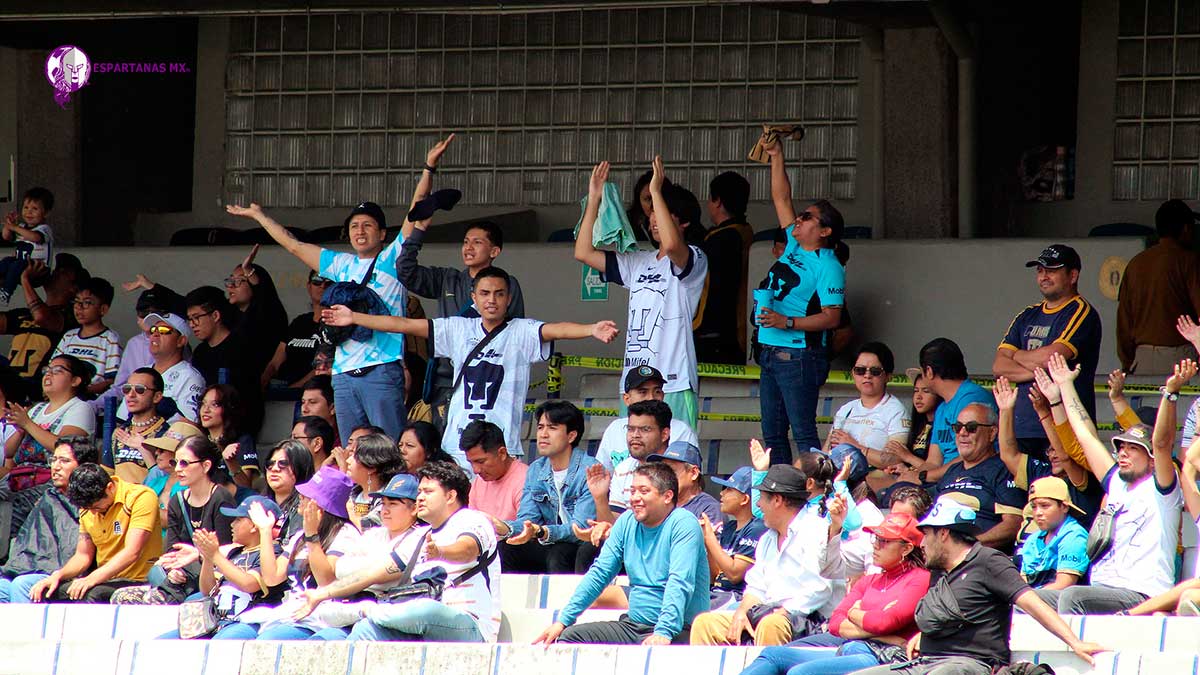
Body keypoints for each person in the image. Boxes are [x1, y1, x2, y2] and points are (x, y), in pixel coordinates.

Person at [322, 266, 618, 470]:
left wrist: (592, 328)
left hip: (503, 443)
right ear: (473, 298)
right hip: (458, 445)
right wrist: (356, 317)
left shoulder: (521, 331)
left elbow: (557, 329)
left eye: (499, 294)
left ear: (509, 298)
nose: (492, 300)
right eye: (485, 293)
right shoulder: (458, 329)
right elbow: (404, 324)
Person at [849, 496, 1105, 675]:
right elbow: (941, 611)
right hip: (926, 662)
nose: (921, 543)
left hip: (972, 664)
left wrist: (1074, 641)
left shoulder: (988, 562)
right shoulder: (938, 571)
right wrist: (922, 634)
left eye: (926, 534)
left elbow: (1032, 603)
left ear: (943, 533)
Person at [227, 200, 409, 443]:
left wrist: (428, 168)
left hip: (381, 368)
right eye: (354, 226)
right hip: (343, 374)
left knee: (390, 446)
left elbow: (415, 218)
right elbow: (294, 245)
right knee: (351, 449)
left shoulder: (393, 259)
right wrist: (260, 216)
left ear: (383, 233)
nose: (360, 231)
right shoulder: (341, 264)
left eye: (368, 225)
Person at [293, 461, 500, 643]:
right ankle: (367, 612)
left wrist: (441, 552)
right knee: (367, 630)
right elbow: (372, 575)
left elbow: (467, 549)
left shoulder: (472, 519)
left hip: (469, 624)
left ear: (450, 495)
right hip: (418, 625)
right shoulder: (419, 536)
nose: (420, 498)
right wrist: (322, 594)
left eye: (428, 492)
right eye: (419, 492)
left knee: (424, 609)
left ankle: (368, 610)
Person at [1045, 353, 1187, 614]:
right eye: (1121, 447)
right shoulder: (1116, 483)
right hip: (1101, 589)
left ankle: (1080, 654)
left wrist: (1171, 394)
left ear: (1152, 460)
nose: (1123, 452)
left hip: (1141, 595)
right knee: (1032, 599)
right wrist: (1065, 385)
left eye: (1133, 449)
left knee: (1072, 598)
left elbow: (1163, 443)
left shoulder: (1162, 488)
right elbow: (1085, 435)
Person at [575, 159, 708, 428]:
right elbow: (583, 253)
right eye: (651, 213)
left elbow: (672, 245)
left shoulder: (694, 256)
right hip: (634, 382)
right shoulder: (638, 261)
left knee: (674, 460)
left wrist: (657, 192)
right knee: (634, 460)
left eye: (663, 213)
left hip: (673, 381)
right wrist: (594, 199)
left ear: (683, 223)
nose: (653, 218)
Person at [396, 136, 527, 401]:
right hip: (445, 380)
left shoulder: (506, 284)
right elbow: (406, 271)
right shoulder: (447, 279)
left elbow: (514, 331)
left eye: (477, 242)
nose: (468, 247)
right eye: (466, 242)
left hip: (488, 376)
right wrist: (420, 230)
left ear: (494, 251)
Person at [533, 463, 708, 646]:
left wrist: (664, 632)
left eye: (644, 491)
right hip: (633, 625)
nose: (635, 498)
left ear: (667, 496)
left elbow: (680, 581)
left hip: (679, 629)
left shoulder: (684, 523)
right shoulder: (626, 521)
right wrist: (563, 621)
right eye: (632, 491)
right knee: (569, 637)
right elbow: (599, 574)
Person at [738, 512, 931, 675]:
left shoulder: (919, 579)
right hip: (854, 644)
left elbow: (885, 622)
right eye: (876, 538)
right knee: (772, 655)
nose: (875, 544)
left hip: (883, 655)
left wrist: (854, 614)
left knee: (801, 672)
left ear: (906, 548)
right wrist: (880, 632)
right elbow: (836, 622)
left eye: (885, 541)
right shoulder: (869, 580)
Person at [758, 139, 845, 465]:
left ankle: (815, 497)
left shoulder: (829, 265)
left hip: (800, 355)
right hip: (769, 352)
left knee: (804, 433)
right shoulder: (794, 244)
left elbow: (833, 317)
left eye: (807, 217)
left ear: (824, 231)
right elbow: (781, 197)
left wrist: (787, 322)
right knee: (773, 435)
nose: (799, 219)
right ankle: (779, 495)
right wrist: (777, 156)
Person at [199, 464, 360, 640]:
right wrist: (266, 530)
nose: (301, 498)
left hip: (324, 617)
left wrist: (312, 536)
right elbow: (272, 577)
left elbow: (325, 580)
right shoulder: (300, 536)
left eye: (308, 496)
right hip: (295, 613)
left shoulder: (345, 534)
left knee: (265, 642)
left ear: (321, 505)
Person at [690, 465, 836, 647]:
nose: (758, 505)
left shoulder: (815, 530)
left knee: (770, 625)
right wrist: (741, 613)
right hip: (767, 612)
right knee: (706, 624)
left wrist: (782, 612)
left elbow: (820, 589)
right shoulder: (768, 537)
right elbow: (756, 585)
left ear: (777, 500)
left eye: (762, 499)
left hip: (810, 620)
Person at [993, 244, 1102, 452]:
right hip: (1022, 427)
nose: (1044, 276)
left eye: (1052, 271)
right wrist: (1042, 368)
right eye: (1040, 271)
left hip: (1064, 425)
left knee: (1060, 485)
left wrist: (1015, 354)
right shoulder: (1027, 314)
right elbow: (999, 366)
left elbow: (1052, 356)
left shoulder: (1081, 311)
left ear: (1072, 276)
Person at [303, 473, 430, 641]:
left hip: (388, 617)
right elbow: (340, 569)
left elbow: (377, 575)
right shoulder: (374, 535)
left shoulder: (419, 536)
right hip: (351, 609)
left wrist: (369, 570)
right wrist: (375, 565)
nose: (385, 510)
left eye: (393, 504)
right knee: (320, 641)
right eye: (383, 503)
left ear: (414, 509)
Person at [28, 463, 162, 603]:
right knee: (46, 592)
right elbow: (83, 555)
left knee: (91, 594)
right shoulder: (87, 508)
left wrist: (91, 579)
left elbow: (132, 552)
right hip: (105, 579)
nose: (92, 512)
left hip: (137, 580)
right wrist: (58, 575)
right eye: (88, 508)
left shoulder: (140, 497)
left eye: (96, 507)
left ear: (109, 488)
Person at [157, 497, 287, 640]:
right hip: (217, 620)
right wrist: (208, 557)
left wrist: (216, 555)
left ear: (254, 526)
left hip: (249, 621)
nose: (232, 524)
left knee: (219, 646)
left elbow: (249, 584)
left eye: (238, 519)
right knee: (162, 643)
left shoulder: (271, 552)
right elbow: (208, 591)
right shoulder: (235, 553)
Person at [494, 401, 598, 574]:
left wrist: (542, 532)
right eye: (541, 427)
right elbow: (528, 518)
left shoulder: (589, 469)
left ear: (571, 436)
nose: (543, 434)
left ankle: (563, 602)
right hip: (549, 541)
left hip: (581, 545)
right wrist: (506, 528)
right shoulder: (536, 469)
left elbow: (581, 528)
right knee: (506, 549)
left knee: (560, 553)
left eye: (552, 428)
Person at [0, 354, 95, 534]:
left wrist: (28, 423)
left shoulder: (79, 408)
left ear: (75, 380)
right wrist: (20, 427)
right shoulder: (37, 409)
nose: (48, 375)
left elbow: (65, 448)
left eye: (57, 371)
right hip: (21, 475)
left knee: (18, 503)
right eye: (46, 371)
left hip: (52, 479)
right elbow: (10, 453)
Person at [996, 372, 1104, 531]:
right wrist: (1006, 410)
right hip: (1026, 549)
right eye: (1049, 450)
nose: (1053, 455)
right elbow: (1008, 455)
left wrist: (1045, 411)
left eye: (1055, 449)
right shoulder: (1042, 472)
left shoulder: (1084, 479)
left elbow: (1065, 456)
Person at [0, 435, 94, 602]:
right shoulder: (49, 496)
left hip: (66, 572)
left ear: (82, 467)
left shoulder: (91, 501)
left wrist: (57, 573)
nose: (55, 467)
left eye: (64, 461)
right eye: (54, 459)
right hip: (34, 568)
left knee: (22, 585)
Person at [150, 436, 237, 603]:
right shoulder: (178, 500)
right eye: (175, 463)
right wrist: (174, 569)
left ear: (205, 466)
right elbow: (172, 550)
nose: (178, 469)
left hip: (213, 574)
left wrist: (197, 555)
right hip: (183, 573)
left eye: (184, 463)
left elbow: (227, 550)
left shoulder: (221, 498)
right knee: (155, 574)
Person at [1117, 198, 1200, 374]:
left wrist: (1127, 362)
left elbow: (1124, 321)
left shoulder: (1135, 264)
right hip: (1181, 359)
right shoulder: (1189, 261)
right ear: (1186, 229)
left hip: (1142, 359)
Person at [931, 404, 1025, 552]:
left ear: (992, 433)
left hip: (977, 559)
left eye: (971, 427)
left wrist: (968, 547)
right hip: (938, 552)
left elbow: (1014, 524)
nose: (962, 433)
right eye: (958, 427)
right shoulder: (951, 471)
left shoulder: (1004, 469)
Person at [906, 338, 996, 484]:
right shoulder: (941, 408)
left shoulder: (972, 399)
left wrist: (924, 477)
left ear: (928, 371)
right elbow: (933, 461)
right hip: (943, 481)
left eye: (922, 372)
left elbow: (971, 457)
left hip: (971, 480)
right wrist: (912, 476)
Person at [1, 253, 86, 403]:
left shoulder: (71, 317)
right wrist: (4, 281)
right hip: (8, 388)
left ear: (74, 288)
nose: (54, 273)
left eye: (62, 272)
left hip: (35, 395)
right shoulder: (24, 314)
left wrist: (25, 280)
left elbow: (41, 317)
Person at [823, 342, 910, 485]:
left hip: (871, 481)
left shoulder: (896, 411)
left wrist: (855, 446)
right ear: (853, 373)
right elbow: (826, 451)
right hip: (836, 476)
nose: (867, 376)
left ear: (888, 376)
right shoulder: (846, 409)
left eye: (875, 371)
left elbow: (894, 459)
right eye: (860, 370)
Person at [91, 285, 184, 415]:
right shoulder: (134, 343)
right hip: (130, 418)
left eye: (156, 312)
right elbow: (120, 388)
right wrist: (93, 406)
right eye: (143, 312)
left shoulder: (175, 344)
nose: (148, 317)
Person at [186, 286, 265, 435]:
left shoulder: (242, 347)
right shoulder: (200, 353)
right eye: (189, 319)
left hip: (240, 428)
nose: (192, 324)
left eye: (196, 317)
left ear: (215, 316)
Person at [695, 170, 754, 365]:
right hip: (740, 329)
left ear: (717, 201)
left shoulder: (720, 240)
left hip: (714, 333)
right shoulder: (746, 233)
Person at [595, 365, 698, 473]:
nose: (651, 398)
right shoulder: (615, 428)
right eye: (643, 392)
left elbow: (691, 479)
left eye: (657, 391)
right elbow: (603, 473)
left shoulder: (681, 430)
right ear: (626, 399)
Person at [592, 399, 673, 522]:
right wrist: (600, 498)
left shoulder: (677, 470)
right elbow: (612, 528)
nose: (635, 435)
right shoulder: (623, 469)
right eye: (630, 429)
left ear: (664, 434)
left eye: (645, 429)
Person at [221, 246, 289, 392]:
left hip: (260, 387)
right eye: (230, 280)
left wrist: (249, 271)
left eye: (239, 281)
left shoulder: (270, 312)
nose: (231, 286)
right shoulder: (227, 313)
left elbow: (263, 296)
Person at [867, 371, 941, 501]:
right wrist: (903, 468)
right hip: (907, 480)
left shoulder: (941, 426)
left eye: (926, 391)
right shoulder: (919, 426)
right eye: (916, 391)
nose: (918, 397)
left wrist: (907, 456)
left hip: (926, 487)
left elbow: (936, 468)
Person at [121, 312, 204, 422]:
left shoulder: (190, 377)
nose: (155, 334)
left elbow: (188, 427)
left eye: (163, 331)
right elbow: (121, 418)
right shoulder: (140, 373)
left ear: (181, 341)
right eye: (152, 330)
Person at [702, 466, 767, 608]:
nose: (721, 493)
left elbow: (734, 574)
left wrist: (710, 539)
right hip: (717, 593)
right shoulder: (729, 527)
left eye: (729, 490)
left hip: (738, 598)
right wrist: (707, 542)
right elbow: (715, 577)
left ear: (745, 499)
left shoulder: (757, 528)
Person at [52, 277, 121, 398]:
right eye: (76, 302)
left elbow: (111, 380)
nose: (79, 307)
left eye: (87, 303)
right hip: (63, 398)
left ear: (103, 309)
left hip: (91, 401)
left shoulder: (110, 339)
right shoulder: (69, 336)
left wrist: (81, 391)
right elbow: (53, 368)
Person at [1019, 477, 1090, 594]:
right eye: (1034, 507)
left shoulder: (1074, 535)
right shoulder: (1032, 540)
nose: (1038, 513)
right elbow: (1022, 583)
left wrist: (1027, 600)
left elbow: (1064, 584)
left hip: (1062, 604)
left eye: (1044, 506)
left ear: (1064, 507)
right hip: (1033, 600)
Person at [271, 270, 331, 389]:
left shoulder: (336, 324)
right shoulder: (299, 322)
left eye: (329, 283)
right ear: (309, 286)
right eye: (317, 281)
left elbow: (324, 365)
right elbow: (276, 361)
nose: (323, 286)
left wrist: (294, 388)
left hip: (313, 390)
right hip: (280, 386)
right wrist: (263, 382)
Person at [109, 368, 170, 483]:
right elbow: (108, 472)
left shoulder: (166, 435)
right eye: (127, 389)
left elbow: (166, 481)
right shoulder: (119, 432)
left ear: (157, 397)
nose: (131, 395)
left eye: (140, 389)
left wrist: (144, 449)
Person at [141, 421, 203, 532]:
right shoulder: (155, 482)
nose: (157, 453)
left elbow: (175, 520)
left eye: (162, 450)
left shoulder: (194, 485)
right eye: (157, 449)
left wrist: (142, 507)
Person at [464, 420, 527, 522]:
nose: (476, 470)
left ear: (502, 453)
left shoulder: (525, 481)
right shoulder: (479, 481)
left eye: (480, 461)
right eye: (471, 462)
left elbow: (526, 529)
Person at [0, 187, 55, 305]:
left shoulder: (44, 229)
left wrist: (15, 228)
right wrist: (9, 225)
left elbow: (35, 238)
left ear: (46, 212)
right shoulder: (21, 227)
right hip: (20, 267)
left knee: (16, 264)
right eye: (26, 208)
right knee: (6, 261)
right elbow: (6, 237)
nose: (29, 212)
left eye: (34, 209)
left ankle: (6, 293)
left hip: (38, 270)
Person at [648, 441, 722, 528]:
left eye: (672, 471)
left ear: (694, 473)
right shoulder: (660, 503)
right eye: (663, 471)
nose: (665, 477)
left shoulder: (709, 509)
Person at [200, 384, 259, 490]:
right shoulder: (200, 441)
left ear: (229, 408)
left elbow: (245, 486)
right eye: (203, 404)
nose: (206, 410)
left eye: (215, 404)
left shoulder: (242, 441)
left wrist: (231, 462)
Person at [260, 439, 316, 544]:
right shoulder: (259, 503)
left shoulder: (305, 505)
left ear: (300, 467)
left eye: (283, 463)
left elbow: (295, 548)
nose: (274, 469)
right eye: (270, 463)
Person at [345, 431, 404, 531]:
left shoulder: (388, 500)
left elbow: (368, 528)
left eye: (354, 457)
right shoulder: (351, 492)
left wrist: (348, 512)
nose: (348, 461)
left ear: (371, 467)